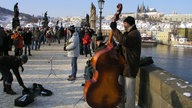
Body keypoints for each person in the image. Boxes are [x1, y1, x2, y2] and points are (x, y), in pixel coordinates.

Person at [110, 16, 141, 108]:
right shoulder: (128, 33)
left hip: (130, 66)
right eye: (123, 23)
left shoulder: (135, 34)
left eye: (125, 23)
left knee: (129, 92)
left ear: (130, 23)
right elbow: (121, 46)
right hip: (123, 66)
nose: (124, 25)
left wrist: (115, 30)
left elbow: (124, 41)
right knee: (121, 91)